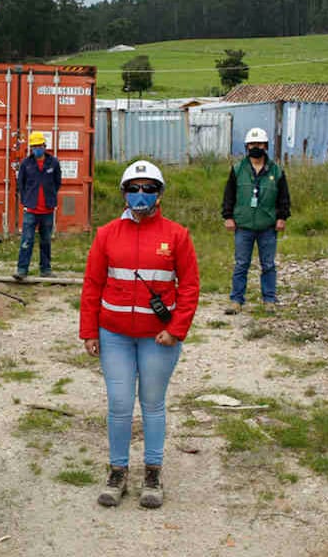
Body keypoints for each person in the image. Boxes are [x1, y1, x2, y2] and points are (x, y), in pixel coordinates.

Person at [79, 160, 200, 509]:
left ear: (159, 194)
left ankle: (152, 474)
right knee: (119, 404)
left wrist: (176, 330)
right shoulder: (106, 235)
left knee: (152, 403)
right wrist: (89, 330)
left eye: (148, 188)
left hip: (158, 339)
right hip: (114, 335)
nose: (141, 194)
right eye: (134, 188)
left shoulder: (177, 236)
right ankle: (117, 472)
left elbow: (189, 286)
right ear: (124, 194)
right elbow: (92, 284)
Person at [221, 127, 290, 313]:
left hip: (267, 225)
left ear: (265, 146)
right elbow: (229, 195)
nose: (255, 147)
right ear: (247, 147)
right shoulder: (238, 169)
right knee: (241, 264)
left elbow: (284, 196)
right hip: (243, 225)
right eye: (252, 144)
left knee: (268, 265)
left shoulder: (276, 170)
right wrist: (228, 216)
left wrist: (282, 217)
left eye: (259, 144)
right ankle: (236, 301)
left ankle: (269, 300)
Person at [14, 131, 62, 280]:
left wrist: (50, 197)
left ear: (44, 146)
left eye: (39, 146)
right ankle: (22, 270)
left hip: (47, 210)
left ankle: (45, 269)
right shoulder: (26, 164)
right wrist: (26, 201)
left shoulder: (53, 163)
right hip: (31, 209)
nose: (37, 149)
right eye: (34, 147)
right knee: (26, 240)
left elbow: (57, 182)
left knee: (46, 241)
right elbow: (20, 184)